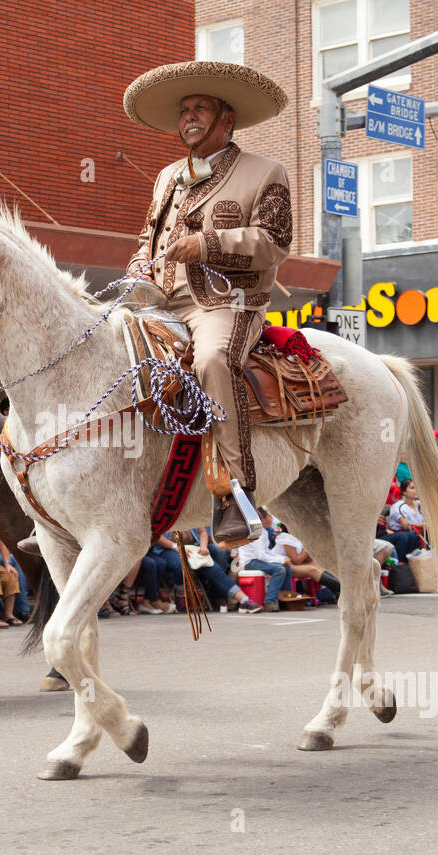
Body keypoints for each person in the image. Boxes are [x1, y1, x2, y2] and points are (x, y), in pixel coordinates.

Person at [122, 60, 292, 543]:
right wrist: (138, 265)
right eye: (184, 111)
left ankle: (235, 496)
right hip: (156, 300)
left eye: (201, 109)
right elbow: (146, 238)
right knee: (101, 351)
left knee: (214, 360)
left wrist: (207, 244)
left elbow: (275, 241)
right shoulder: (166, 176)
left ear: (227, 119)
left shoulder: (266, 171)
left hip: (225, 303)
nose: (190, 118)